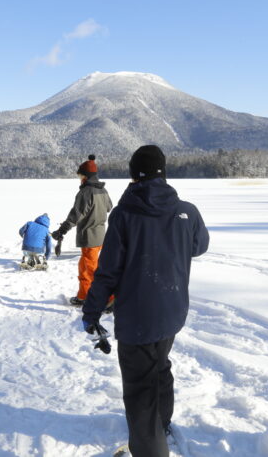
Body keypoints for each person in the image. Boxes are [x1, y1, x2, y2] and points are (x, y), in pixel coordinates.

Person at [82, 145, 209, 457]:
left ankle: (150, 446)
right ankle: (160, 425)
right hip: (172, 311)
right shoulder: (187, 210)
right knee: (160, 366)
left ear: (132, 176)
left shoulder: (125, 214)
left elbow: (108, 271)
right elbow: (199, 246)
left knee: (140, 388)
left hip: (137, 318)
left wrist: (92, 310)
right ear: (163, 173)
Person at [52, 154, 113, 305]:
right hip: (100, 236)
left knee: (92, 270)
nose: (79, 178)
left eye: (80, 175)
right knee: (85, 267)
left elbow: (75, 215)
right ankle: (84, 295)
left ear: (85, 176)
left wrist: (62, 230)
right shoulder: (103, 191)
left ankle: (108, 299)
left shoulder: (85, 192)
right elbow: (109, 207)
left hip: (89, 237)